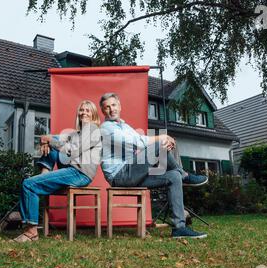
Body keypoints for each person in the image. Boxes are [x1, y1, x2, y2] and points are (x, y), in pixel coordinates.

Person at [99, 93, 208, 239]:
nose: (111, 109)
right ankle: (185, 175)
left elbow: (141, 141)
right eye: (107, 107)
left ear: (119, 106)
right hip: (120, 175)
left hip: (133, 173)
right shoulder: (106, 128)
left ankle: (179, 228)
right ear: (103, 111)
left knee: (173, 176)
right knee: (159, 144)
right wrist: (162, 139)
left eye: (113, 105)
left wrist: (164, 143)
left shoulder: (125, 126)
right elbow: (137, 143)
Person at [14, 100, 102, 242]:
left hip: (79, 173)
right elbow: (55, 138)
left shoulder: (92, 130)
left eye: (87, 110)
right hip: (72, 170)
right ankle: (45, 170)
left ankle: (31, 233)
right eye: (81, 110)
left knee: (28, 184)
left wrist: (50, 141)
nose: (84, 113)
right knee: (52, 140)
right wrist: (45, 140)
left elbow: (72, 151)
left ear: (94, 114)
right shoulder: (77, 133)